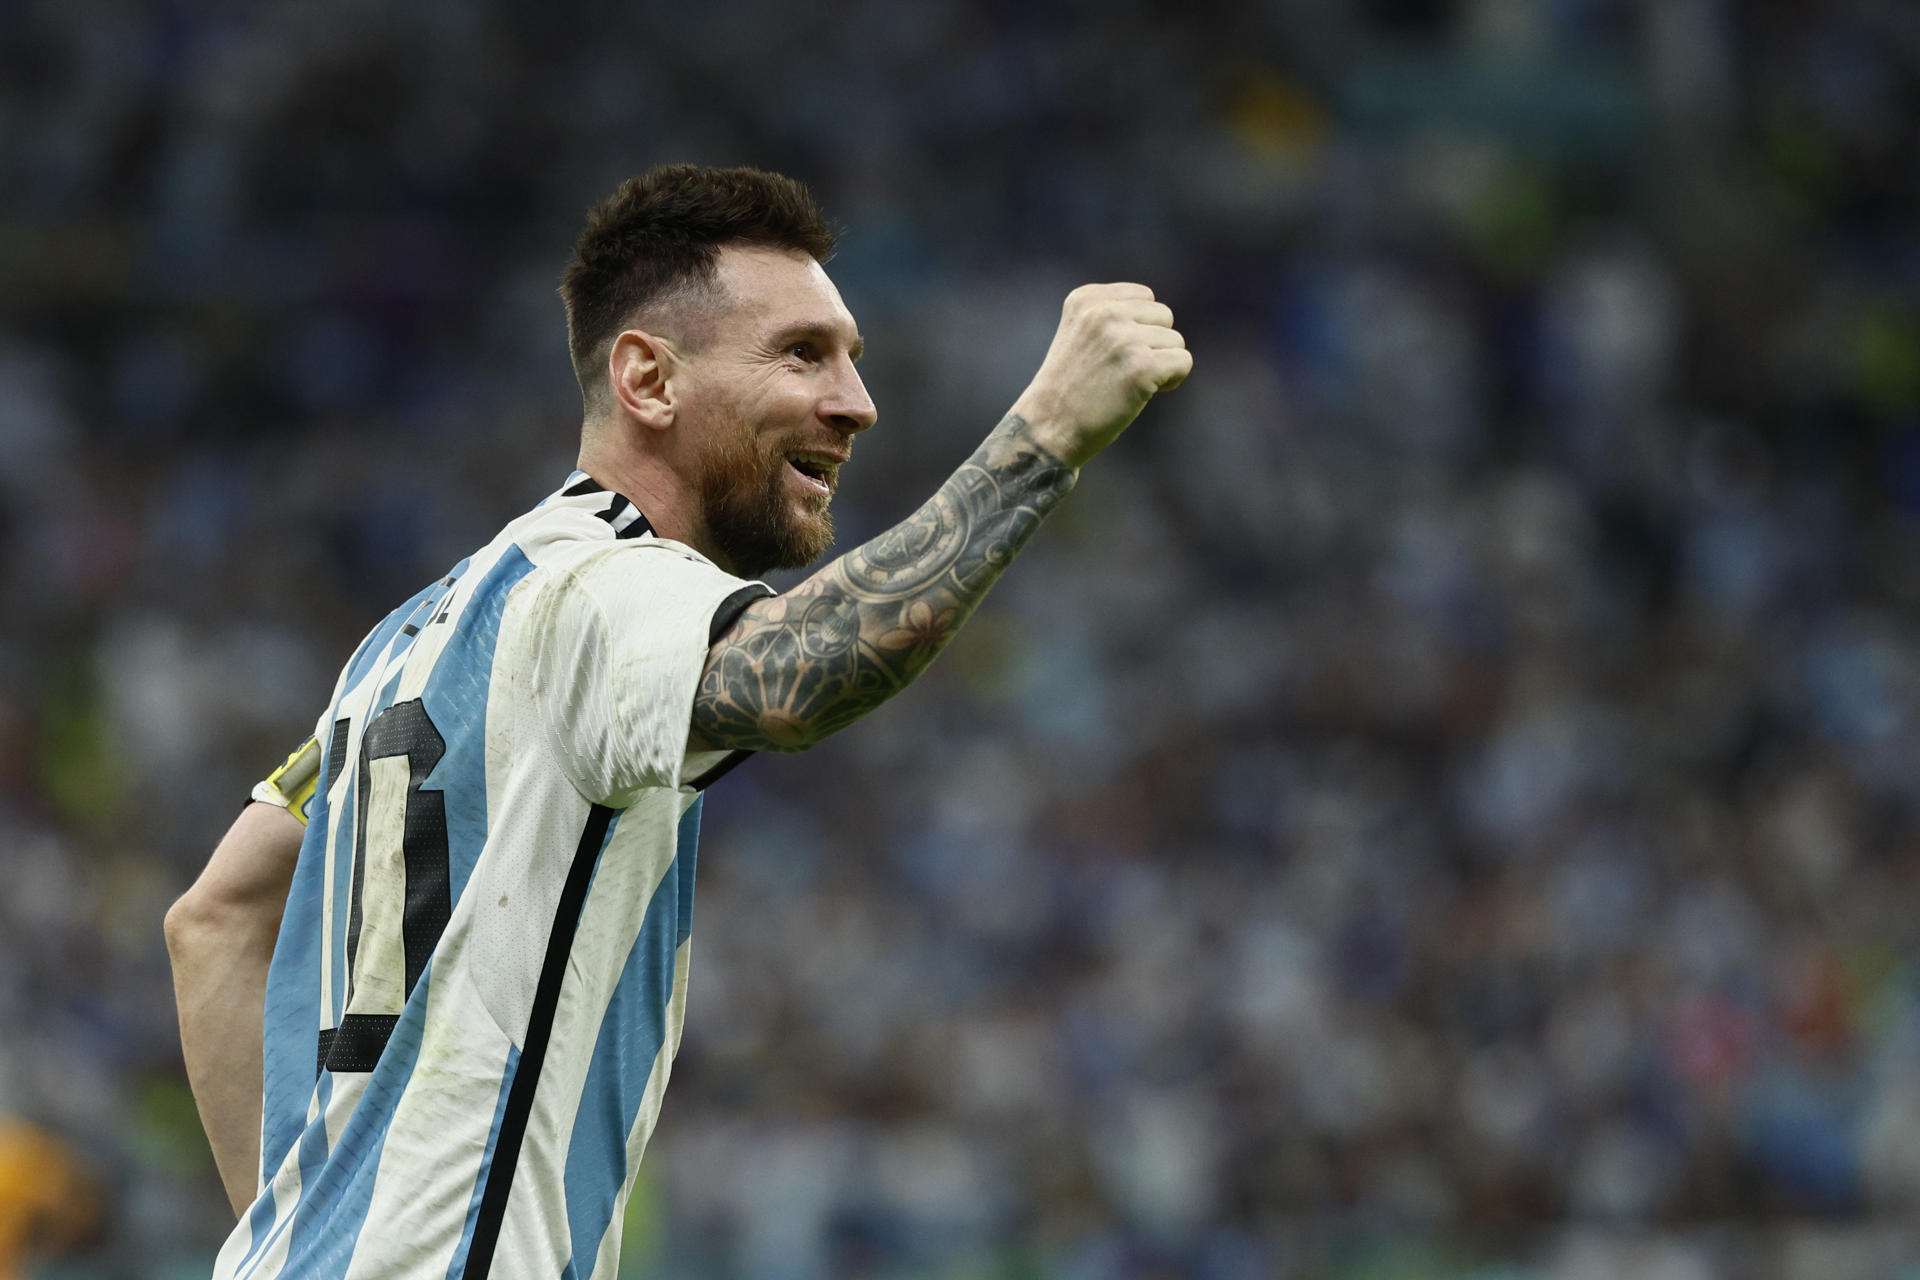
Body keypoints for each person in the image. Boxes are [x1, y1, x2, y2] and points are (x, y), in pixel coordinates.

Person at [164, 163, 1190, 1280]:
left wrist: (296, 1234)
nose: (856, 401)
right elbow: (804, 674)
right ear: (648, 378)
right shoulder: (600, 591)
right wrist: (1045, 436)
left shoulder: (410, 637)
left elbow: (214, 917)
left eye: (851, 357)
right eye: (803, 353)